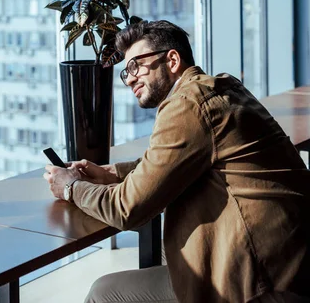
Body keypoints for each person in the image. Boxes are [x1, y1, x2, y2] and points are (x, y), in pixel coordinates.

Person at [44, 20, 310, 303]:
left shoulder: (187, 104)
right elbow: (178, 158)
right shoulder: (220, 88)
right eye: (126, 72)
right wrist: (111, 173)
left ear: (171, 59)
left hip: (263, 278)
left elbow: (126, 209)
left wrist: (71, 187)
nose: (130, 78)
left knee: (103, 293)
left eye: (136, 66)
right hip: (292, 257)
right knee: (166, 248)